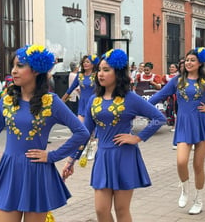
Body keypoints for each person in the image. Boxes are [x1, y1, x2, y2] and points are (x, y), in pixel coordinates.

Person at [0, 45, 90, 222]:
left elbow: (82, 132)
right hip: (9, 172)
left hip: (37, 173)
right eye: (14, 66)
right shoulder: (7, 100)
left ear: (36, 70)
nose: (14, 71)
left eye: (20, 66)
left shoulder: (51, 102)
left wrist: (53, 156)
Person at [62, 49, 166, 222]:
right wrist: (71, 160)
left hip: (124, 156)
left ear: (117, 73)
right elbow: (85, 133)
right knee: (101, 210)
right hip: (102, 157)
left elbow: (158, 118)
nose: (101, 74)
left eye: (106, 70)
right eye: (100, 70)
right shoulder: (93, 100)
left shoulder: (130, 98)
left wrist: (137, 138)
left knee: (121, 210)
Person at [149, 47, 205, 215]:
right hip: (184, 124)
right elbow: (159, 96)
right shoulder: (177, 81)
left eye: (192, 60)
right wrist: (140, 107)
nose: (188, 63)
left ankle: (198, 199)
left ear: (200, 63)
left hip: (202, 124)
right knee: (181, 161)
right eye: (187, 60)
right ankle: (185, 188)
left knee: (198, 165)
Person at [61, 55, 99, 122]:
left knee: (92, 130)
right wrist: (62, 100)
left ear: (93, 64)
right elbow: (70, 89)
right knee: (81, 128)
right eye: (84, 62)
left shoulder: (97, 76)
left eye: (87, 62)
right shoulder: (80, 76)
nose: (85, 63)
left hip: (93, 104)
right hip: (82, 105)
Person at [162, 64, 179, 132]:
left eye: (173, 67)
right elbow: (163, 85)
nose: (171, 68)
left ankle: (176, 125)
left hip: (177, 95)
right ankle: (173, 124)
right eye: (170, 67)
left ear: (176, 69)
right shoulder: (166, 76)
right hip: (169, 96)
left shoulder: (178, 76)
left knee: (177, 110)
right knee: (170, 110)